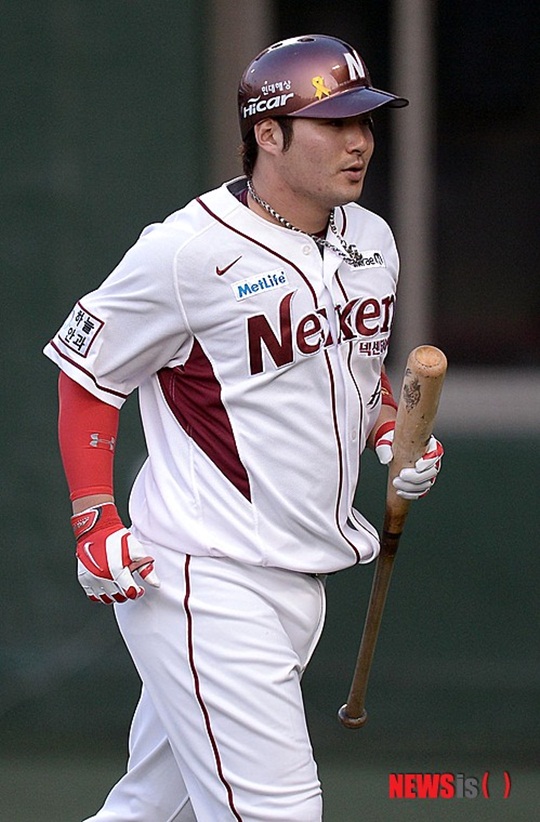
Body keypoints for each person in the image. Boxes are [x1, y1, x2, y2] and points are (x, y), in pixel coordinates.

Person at [45, 34, 443, 822]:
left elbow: (355, 374)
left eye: (365, 120)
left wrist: (391, 431)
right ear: (269, 133)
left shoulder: (371, 240)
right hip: (204, 577)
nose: (360, 141)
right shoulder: (185, 253)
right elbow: (89, 374)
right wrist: (94, 519)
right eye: (335, 123)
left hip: (295, 576)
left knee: (148, 811)